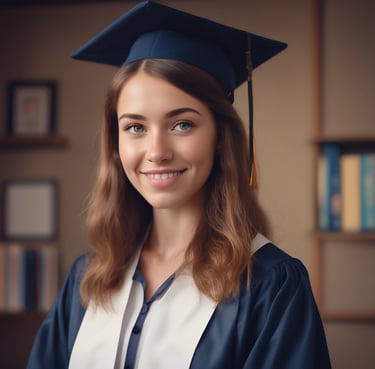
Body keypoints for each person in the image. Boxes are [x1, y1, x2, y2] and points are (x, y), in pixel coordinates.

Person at [27, 1, 331, 368]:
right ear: (116, 141)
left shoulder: (270, 286)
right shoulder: (88, 279)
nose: (156, 152)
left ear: (221, 135)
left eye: (182, 124)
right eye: (135, 127)